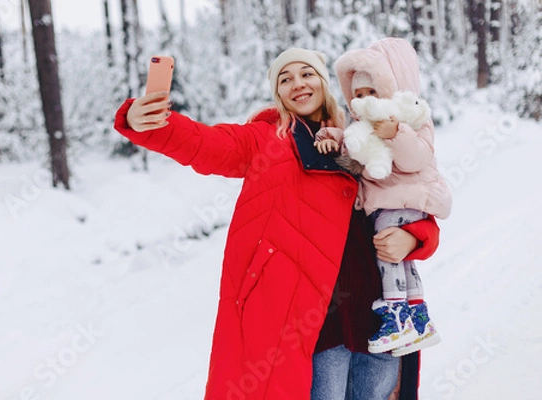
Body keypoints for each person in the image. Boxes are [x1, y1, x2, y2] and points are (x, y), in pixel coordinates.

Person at [113, 47, 441, 400]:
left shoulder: (360, 139)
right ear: (278, 92)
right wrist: (149, 123)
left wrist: (416, 238)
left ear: (323, 82)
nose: (297, 84)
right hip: (316, 324)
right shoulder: (266, 140)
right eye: (285, 79)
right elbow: (206, 145)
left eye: (307, 74)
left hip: (376, 310)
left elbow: (411, 199)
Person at [315, 37, 452, 357]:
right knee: (399, 262)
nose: (363, 101)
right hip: (385, 207)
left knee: (388, 257)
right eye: (357, 95)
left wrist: (396, 133)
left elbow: (416, 159)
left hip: (399, 202)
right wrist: (333, 136)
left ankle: (396, 313)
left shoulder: (410, 120)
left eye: (371, 93)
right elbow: (352, 147)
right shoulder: (362, 126)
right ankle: (418, 316)